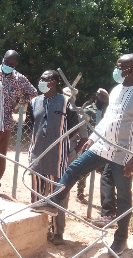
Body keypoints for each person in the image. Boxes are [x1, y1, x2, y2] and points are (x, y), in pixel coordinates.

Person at [31, 54, 133, 257]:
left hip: (125, 152)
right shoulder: (116, 90)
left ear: (132, 69)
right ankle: (53, 202)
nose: (116, 70)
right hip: (104, 145)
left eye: (120, 67)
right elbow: (108, 118)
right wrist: (92, 138)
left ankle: (120, 239)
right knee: (73, 170)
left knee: (123, 195)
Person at [28, 70, 88, 245]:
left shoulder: (65, 103)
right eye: (40, 78)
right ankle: (38, 231)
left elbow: (73, 127)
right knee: (37, 194)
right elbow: (33, 123)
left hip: (58, 157)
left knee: (58, 195)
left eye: (45, 79)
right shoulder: (34, 102)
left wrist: (60, 141)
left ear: (53, 83)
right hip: (36, 156)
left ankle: (57, 232)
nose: (41, 82)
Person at [0, 50, 38, 194]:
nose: (8, 65)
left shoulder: (19, 79)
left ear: (16, 64)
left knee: (0, 154)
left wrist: (19, 101)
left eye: (12, 63)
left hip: (5, 121)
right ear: (2, 59)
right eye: (6, 61)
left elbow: (33, 92)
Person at [76, 88, 110, 203]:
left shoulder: (108, 111)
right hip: (89, 143)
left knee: (106, 173)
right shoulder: (89, 110)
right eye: (101, 97)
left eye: (105, 98)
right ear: (96, 97)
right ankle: (80, 193)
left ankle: (107, 198)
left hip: (104, 145)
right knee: (84, 170)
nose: (103, 100)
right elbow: (82, 126)